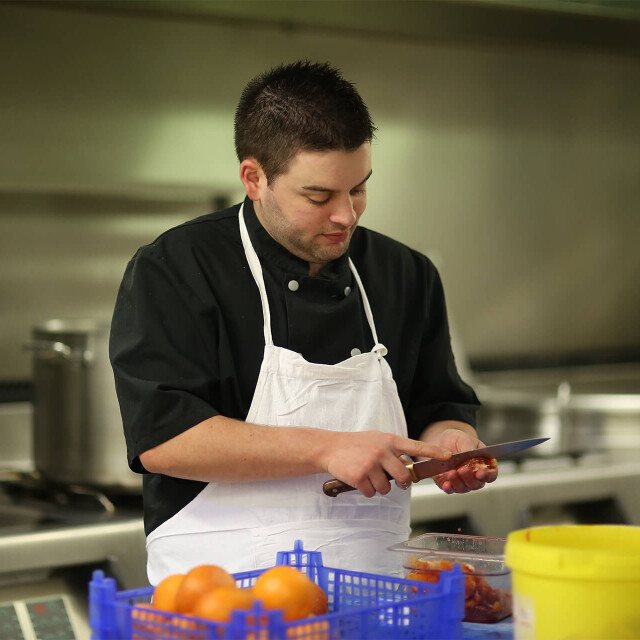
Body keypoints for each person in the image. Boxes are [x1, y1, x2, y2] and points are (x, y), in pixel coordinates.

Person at [109, 60, 496, 585]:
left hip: (377, 597)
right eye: (319, 197)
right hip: (219, 600)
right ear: (254, 178)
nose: (347, 215)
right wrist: (328, 448)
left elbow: (438, 404)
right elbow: (165, 439)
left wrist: (451, 442)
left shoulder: (407, 274)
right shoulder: (176, 268)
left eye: (358, 188)